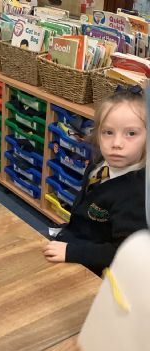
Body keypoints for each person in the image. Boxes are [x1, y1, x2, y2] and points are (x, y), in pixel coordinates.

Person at [43, 88, 147, 276]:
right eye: (108, 132)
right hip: (78, 239)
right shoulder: (99, 165)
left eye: (131, 133)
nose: (116, 143)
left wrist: (73, 252)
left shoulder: (137, 194)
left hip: (98, 271)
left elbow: (126, 254)